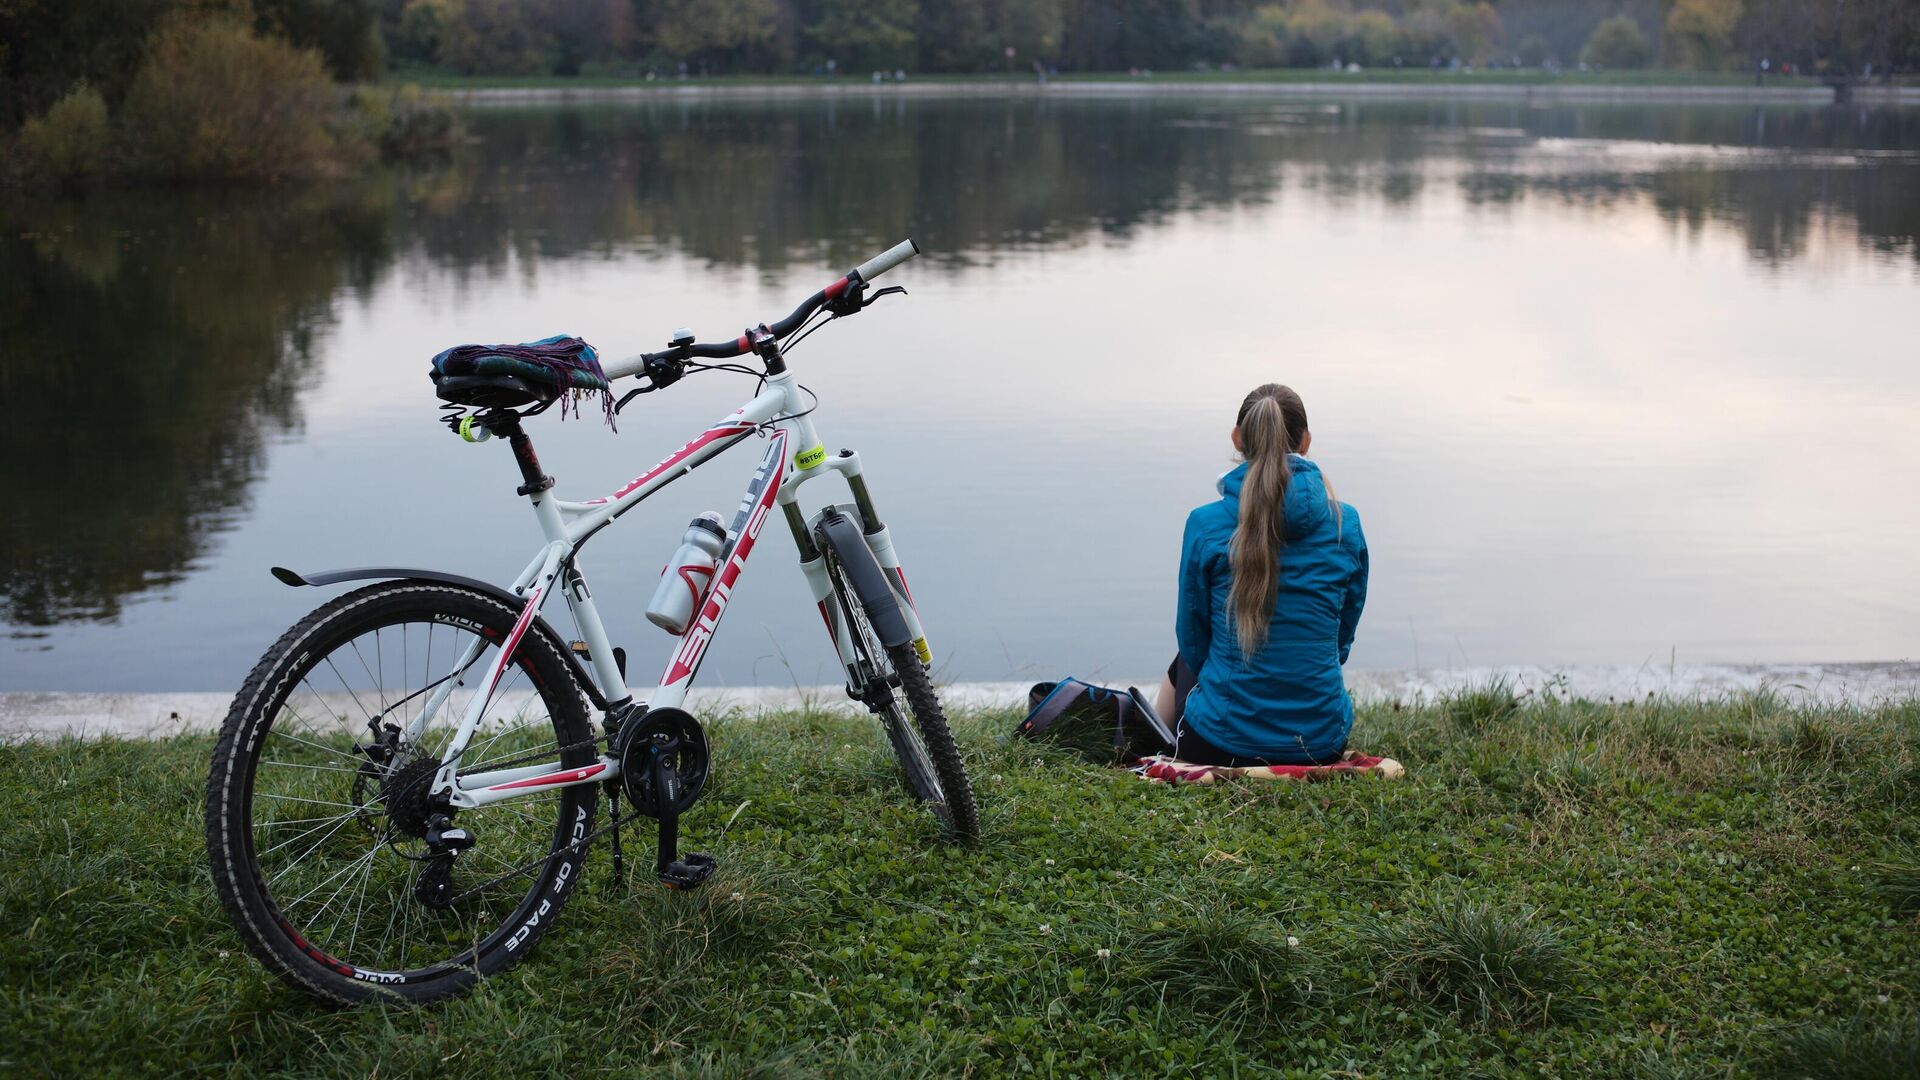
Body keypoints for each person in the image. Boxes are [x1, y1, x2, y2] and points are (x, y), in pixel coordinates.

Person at [1154, 384, 1368, 766]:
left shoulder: (1205, 524)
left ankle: (1162, 746)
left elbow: (1193, 639)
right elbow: (1342, 636)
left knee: (1184, 658)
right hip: (1321, 741)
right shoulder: (1345, 524)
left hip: (1221, 744)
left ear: (1237, 438)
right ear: (1305, 442)